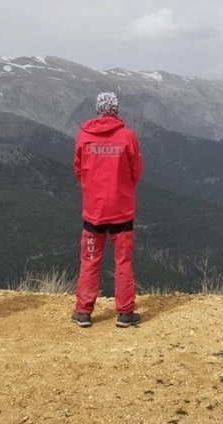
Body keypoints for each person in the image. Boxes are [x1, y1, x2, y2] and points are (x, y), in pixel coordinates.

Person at [72, 92, 143, 328]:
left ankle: (83, 312)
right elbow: (136, 172)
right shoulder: (127, 137)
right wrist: (122, 188)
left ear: (98, 109)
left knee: (90, 260)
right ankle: (124, 313)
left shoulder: (84, 136)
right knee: (123, 261)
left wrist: (92, 189)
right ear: (116, 109)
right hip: (121, 211)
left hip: (94, 211)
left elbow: (78, 170)